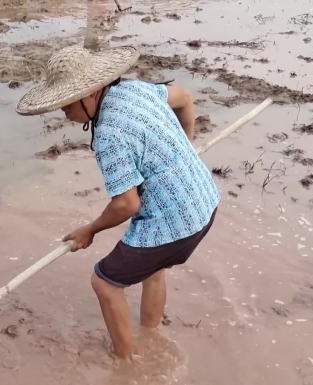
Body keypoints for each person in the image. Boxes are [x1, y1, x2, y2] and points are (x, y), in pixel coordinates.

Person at [15, 45, 220, 359]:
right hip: (205, 202)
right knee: (154, 266)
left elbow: (126, 205)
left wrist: (90, 229)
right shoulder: (137, 89)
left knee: (105, 282)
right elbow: (184, 98)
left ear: (91, 93)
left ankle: (126, 364)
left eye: (67, 103)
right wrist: (186, 146)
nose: (64, 112)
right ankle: (151, 335)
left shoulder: (110, 132)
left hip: (174, 222)